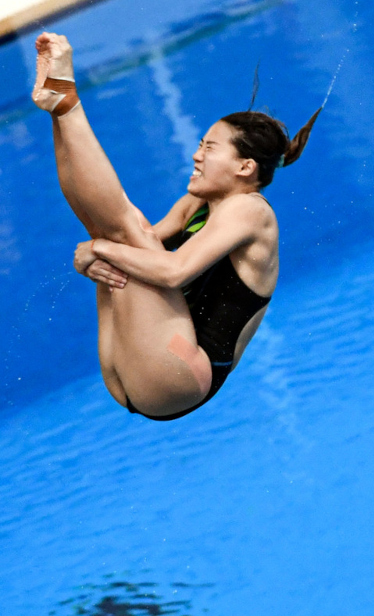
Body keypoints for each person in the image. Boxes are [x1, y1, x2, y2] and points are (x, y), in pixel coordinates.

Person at [33, 32, 319, 420]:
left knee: (119, 238)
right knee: (119, 231)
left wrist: (96, 253)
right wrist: (93, 254)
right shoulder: (200, 203)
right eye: (200, 144)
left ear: (245, 167)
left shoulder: (250, 210)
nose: (195, 155)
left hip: (181, 374)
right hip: (142, 365)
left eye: (209, 148)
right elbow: (138, 238)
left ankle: (66, 104)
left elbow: (173, 271)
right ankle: (59, 110)